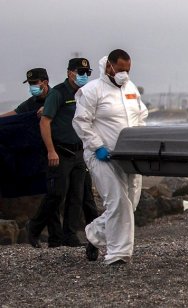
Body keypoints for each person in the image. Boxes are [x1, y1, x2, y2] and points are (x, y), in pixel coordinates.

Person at [73, 49, 148, 266]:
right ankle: (118, 255)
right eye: (121, 69)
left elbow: (141, 116)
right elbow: (81, 122)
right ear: (109, 67)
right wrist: (97, 146)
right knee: (117, 203)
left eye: (128, 70)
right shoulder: (92, 91)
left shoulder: (131, 89)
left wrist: (142, 142)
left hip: (130, 156)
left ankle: (94, 235)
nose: (124, 74)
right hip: (102, 156)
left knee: (130, 204)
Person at [26, 60, 99, 248]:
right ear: (69, 73)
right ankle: (34, 227)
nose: (83, 75)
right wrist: (51, 150)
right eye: (80, 71)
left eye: (86, 72)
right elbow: (45, 122)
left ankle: (69, 235)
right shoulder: (58, 93)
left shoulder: (87, 93)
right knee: (56, 194)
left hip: (80, 152)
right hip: (60, 152)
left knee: (77, 195)